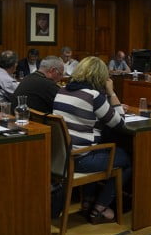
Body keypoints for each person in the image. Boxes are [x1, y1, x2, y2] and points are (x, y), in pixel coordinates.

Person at [53, 56, 131, 224]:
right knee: (126, 159)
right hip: (81, 159)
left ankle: (88, 201)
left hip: (63, 157)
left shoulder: (62, 90)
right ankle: (100, 208)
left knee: (99, 147)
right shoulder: (93, 95)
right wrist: (111, 93)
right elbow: (121, 123)